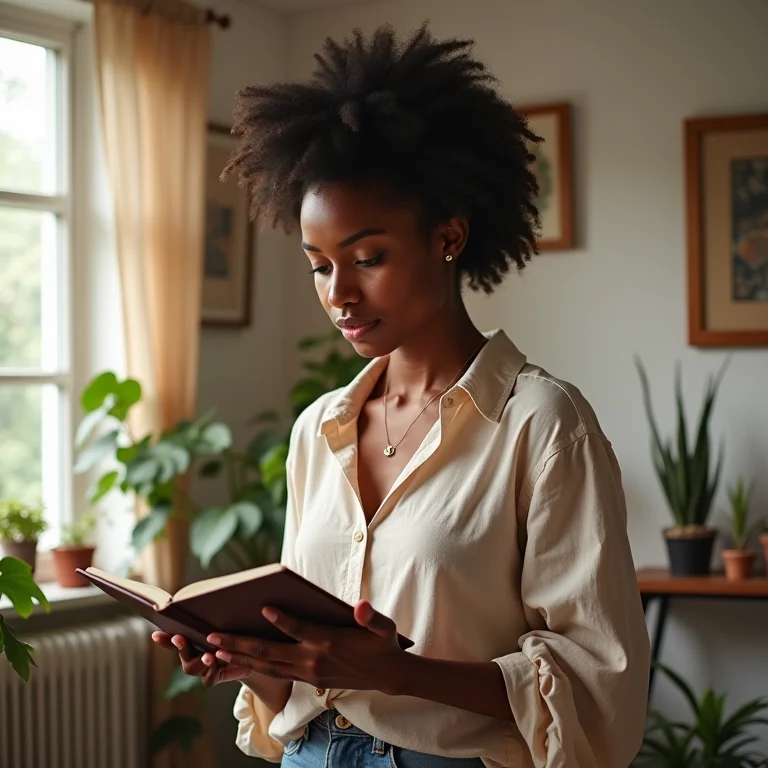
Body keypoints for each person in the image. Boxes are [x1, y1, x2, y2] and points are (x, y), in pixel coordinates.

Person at [152, 23, 650, 768]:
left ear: (448, 237)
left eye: (369, 257)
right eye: (319, 266)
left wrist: (398, 672)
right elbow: (306, 682)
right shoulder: (319, 429)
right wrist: (251, 661)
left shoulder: (543, 426)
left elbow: (597, 684)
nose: (340, 294)